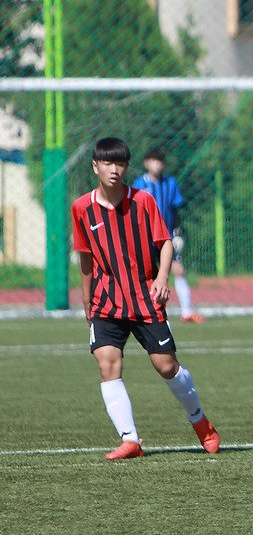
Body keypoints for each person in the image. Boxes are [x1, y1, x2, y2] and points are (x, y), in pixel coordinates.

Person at [72, 137, 220, 461]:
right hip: (106, 301)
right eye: (107, 163)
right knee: (107, 363)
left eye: (120, 163)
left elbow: (165, 242)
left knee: (165, 366)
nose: (114, 169)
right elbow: (85, 257)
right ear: (95, 166)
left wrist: (163, 278)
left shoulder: (143, 201)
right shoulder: (82, 208)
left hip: (143, 296)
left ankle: (200, 421)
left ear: (126, 167)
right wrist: (87, 303)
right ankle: (130, 440)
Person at [131, 148, 204, 323]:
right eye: (153, 161)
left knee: (178, 269)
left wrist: (177, 232)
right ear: (146, 163)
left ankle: (186, 312)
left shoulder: (170, 184)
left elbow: (175, 209)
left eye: (160, 161)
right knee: (143, 273)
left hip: (166, 237)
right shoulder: (139, 184)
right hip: (145, 237)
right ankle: (139, 310)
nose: (157, 165)